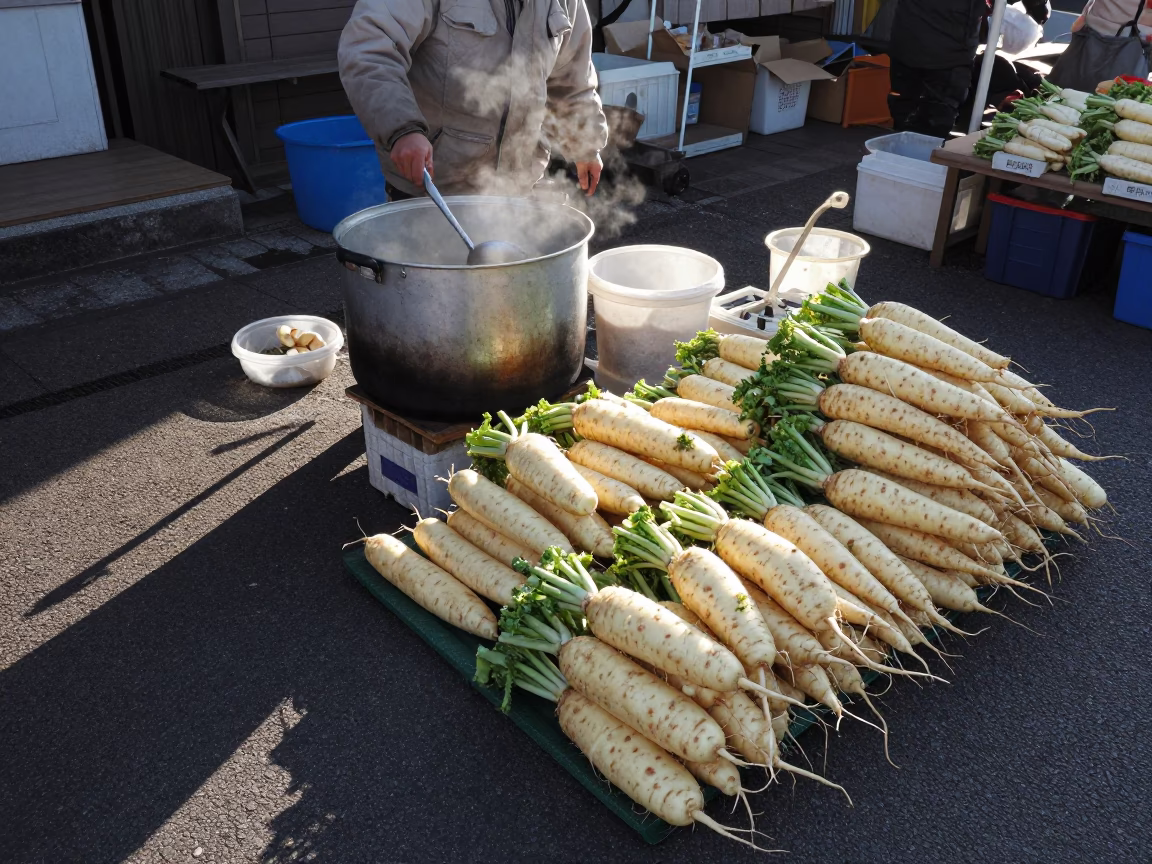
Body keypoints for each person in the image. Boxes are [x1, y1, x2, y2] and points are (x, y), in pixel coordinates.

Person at [338, 0, 609, 201]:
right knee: (429, 277)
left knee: (515, 276)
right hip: (433, 190)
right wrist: (401, 129)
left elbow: (572, 77)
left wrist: (585, 143)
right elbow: (369, 50)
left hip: (519, 189)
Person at [888, 0, 1051, 139]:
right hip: (948, 53)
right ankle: (920, 165)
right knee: (934, 123)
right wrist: (1037, 6)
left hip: (907, 42)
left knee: (905, 113)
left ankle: (898, 162)